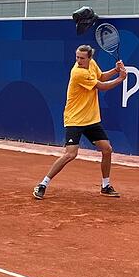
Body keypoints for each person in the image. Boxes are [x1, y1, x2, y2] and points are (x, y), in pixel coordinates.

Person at [33, 44, 127, 200]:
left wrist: (115, 70)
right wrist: (121, 78)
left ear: (90, 58)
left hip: (91, 119)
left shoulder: (92, 65)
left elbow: (101, 76)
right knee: (70, 154)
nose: (78, 60)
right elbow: (102, 86)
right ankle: (43, 184)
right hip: (75, 119)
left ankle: (105, 185)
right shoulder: (77, 72)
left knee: (107, 149)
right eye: (77, 57)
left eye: (82, 58)